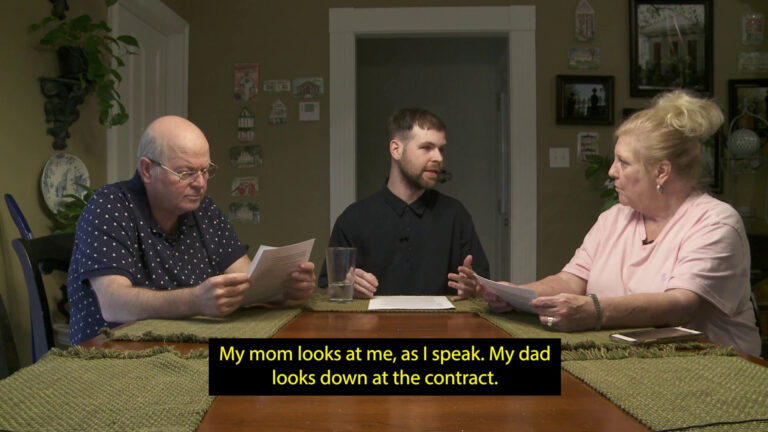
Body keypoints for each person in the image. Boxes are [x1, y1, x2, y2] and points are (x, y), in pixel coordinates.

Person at [473, 90, 761, 357]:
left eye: (623, 162)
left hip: (711, 365)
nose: (612, 171)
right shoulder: (614, 217)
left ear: (661, 171)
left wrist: (595, 311)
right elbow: (572, 280)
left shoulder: (715, 222)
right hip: (632, 361)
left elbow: (679, 305)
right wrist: (518, 295)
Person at [67, 116, 315, 344]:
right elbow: (113, 303)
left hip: (186, 346)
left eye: (205, 171)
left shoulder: (204, 210)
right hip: (113, 355)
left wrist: (282, 290)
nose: (200, 184)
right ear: (146, 170)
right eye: (186, 173)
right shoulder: (110, 206)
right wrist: (194, 301)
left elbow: (246, 283)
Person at [319, 108, 490, 299]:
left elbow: (483, 286)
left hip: (441, 327)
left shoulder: (455, 215)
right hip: (370, 327)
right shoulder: (353, 218)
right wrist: (347, 287)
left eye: (441, 149)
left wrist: (474, 288)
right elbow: (327, 290)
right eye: (427, 147)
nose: (439, 158)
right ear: (396, 149)